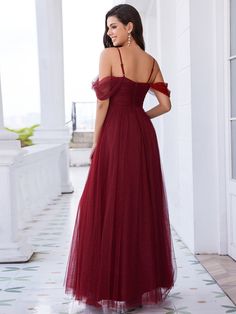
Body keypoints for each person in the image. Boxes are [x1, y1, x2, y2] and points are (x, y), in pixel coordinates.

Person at [65, 4, 176, 313]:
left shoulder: (109, 56)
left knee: (106, 203)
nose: (109, 32)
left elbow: (102, 105)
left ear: (130, 27)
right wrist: (141, 118)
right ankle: (137, 289)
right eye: (107, 27)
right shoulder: (151, 62)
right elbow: (166, 105)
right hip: (141, 135)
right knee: (138, 204)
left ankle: (111, 287)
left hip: (115, 134)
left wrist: (97, 142)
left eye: (113, 26)